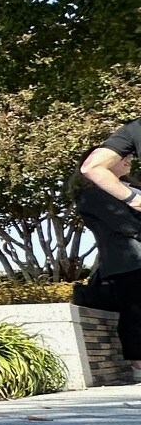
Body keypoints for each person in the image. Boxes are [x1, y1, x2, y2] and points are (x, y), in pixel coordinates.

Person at [76, 117, 141, 381]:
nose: (129, 159)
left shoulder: (134, 187)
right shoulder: (91, 195)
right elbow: (125, 225)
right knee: (137, 311)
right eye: (123, 155)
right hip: (129, 262)